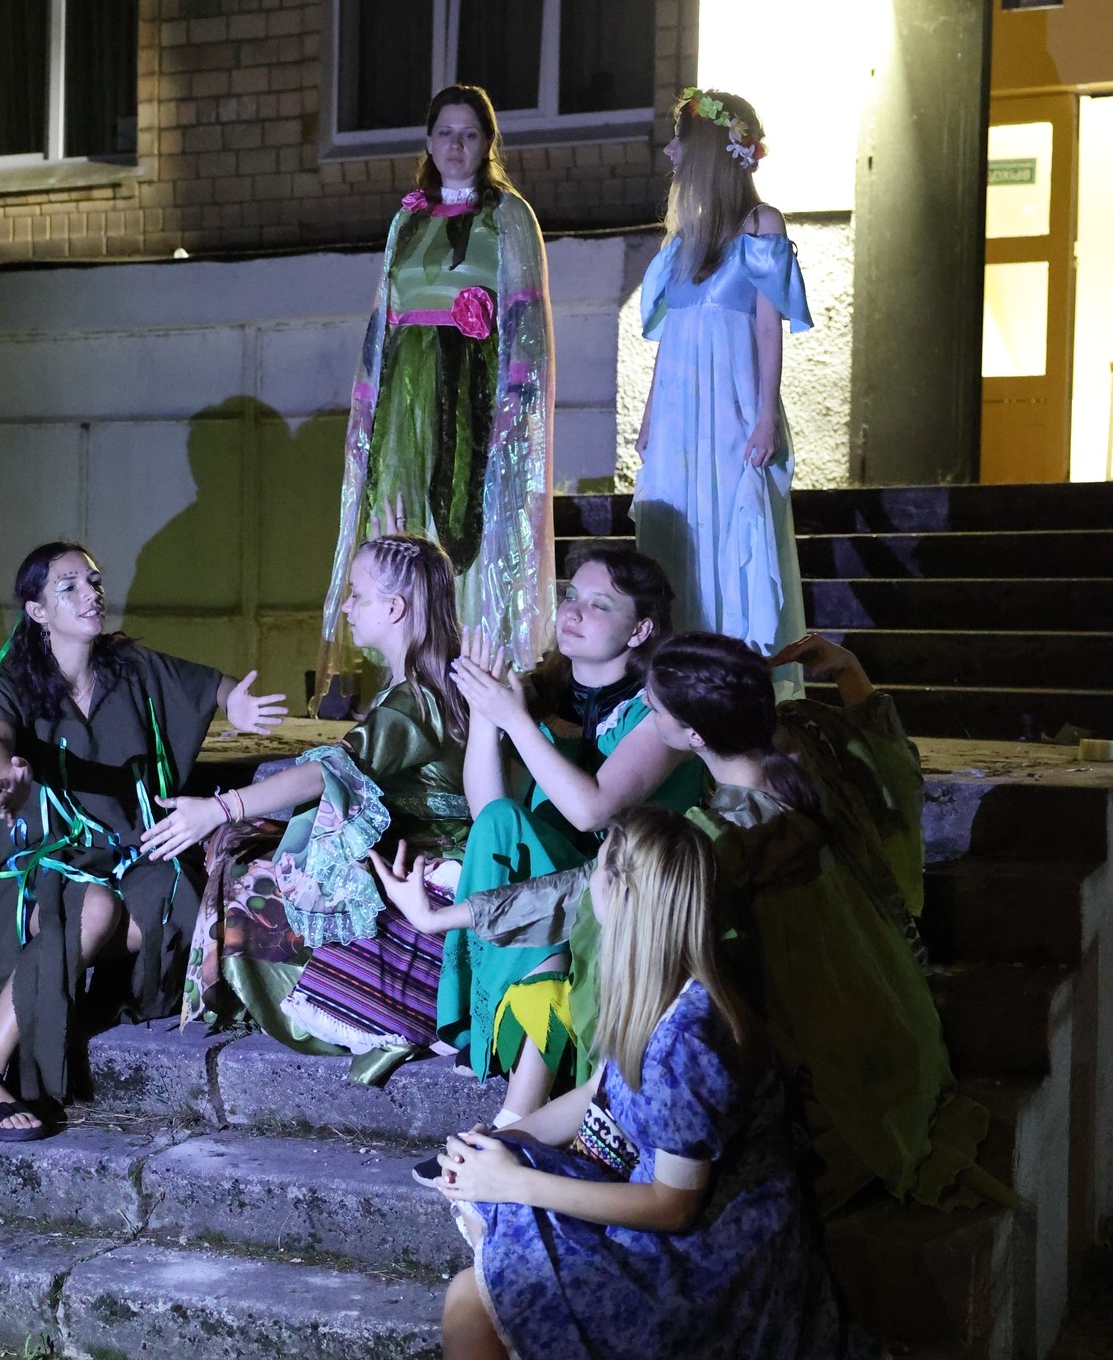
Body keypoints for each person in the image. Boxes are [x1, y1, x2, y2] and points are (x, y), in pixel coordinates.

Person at [385, 631, 994, 1212]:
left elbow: (583, 892)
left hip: (808, 1037)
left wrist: (444, 916)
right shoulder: (812, 738)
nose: (647, 717)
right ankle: (510, 1136)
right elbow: (891, 760)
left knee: (632, 973)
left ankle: (529, 1142)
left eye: (653, 709)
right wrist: (850, 673)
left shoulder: (725, 834)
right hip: (883, 1006)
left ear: (692, 735)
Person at [379, 805, 878, 1360]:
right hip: (675, 1226)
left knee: (474, 1293)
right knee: (476, 1278)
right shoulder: (655, 990)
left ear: (618, 893)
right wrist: (501, 1143)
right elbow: (598, 1091)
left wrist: (513, 1182)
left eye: (596, 868)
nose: (587, 879)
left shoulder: (688, 1040)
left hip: (711, 1259)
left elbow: (673, 1205)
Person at [0, 541, 286, 1140]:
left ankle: (55, 971)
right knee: (94, 906)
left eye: (95, 583)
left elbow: (213, 687)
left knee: (178, 903)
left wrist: (237, 701)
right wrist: (6, 774)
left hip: (131, 851)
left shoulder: (130, 666)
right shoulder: (12, 680)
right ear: (37, 611)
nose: (91, 595)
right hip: (48, 857)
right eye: (70, 586)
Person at [171, 533, 469, 1085]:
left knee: (250, 872)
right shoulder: (428, 683)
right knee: (256, 841)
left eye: (357, 594)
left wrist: (220, 807)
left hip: (432, 863)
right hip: (416, 845)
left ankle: (326, 1004)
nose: (347, 607)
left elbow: (333, 768)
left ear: (394, 608)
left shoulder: (415, 698)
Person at [437, 543, 702, 1122]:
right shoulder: (544, 693)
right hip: (552, 878)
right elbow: (490, 814)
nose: (573, 613)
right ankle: (507, 1073)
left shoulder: (660, 710)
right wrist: (485, 714)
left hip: (625, 883)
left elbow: (591, 812)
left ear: (641, 629)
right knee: (502, 826)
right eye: (570, 596)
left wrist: (514, 720)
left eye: (600, 605)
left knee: (544, 890)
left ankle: (513, 1096)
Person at [315, 84, 554, 711]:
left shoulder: (508, 216)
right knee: (402, 517)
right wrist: (367, 404)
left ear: (487, 143)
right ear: (428, 141)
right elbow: (383, 317)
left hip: (471, 392)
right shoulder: (409, 218)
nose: (456, 145)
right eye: (445, 132)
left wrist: (515, 404)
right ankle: (408, 678)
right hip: (406, 397)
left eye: (470, 134)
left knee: (464, 517)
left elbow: (527, 317)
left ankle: (468, 679)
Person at [633, 87, 811, 697]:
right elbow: (671, 338)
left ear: (709, 148)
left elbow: (767, 326)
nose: (670, 152)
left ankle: (735, 685)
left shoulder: (760, 226)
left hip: (731, 407)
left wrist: (765, 416)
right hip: (681, 415)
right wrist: (650, 417)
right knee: (682, 534)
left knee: (732, 530)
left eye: (679, 140)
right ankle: (680, 684)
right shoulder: (684, 240)